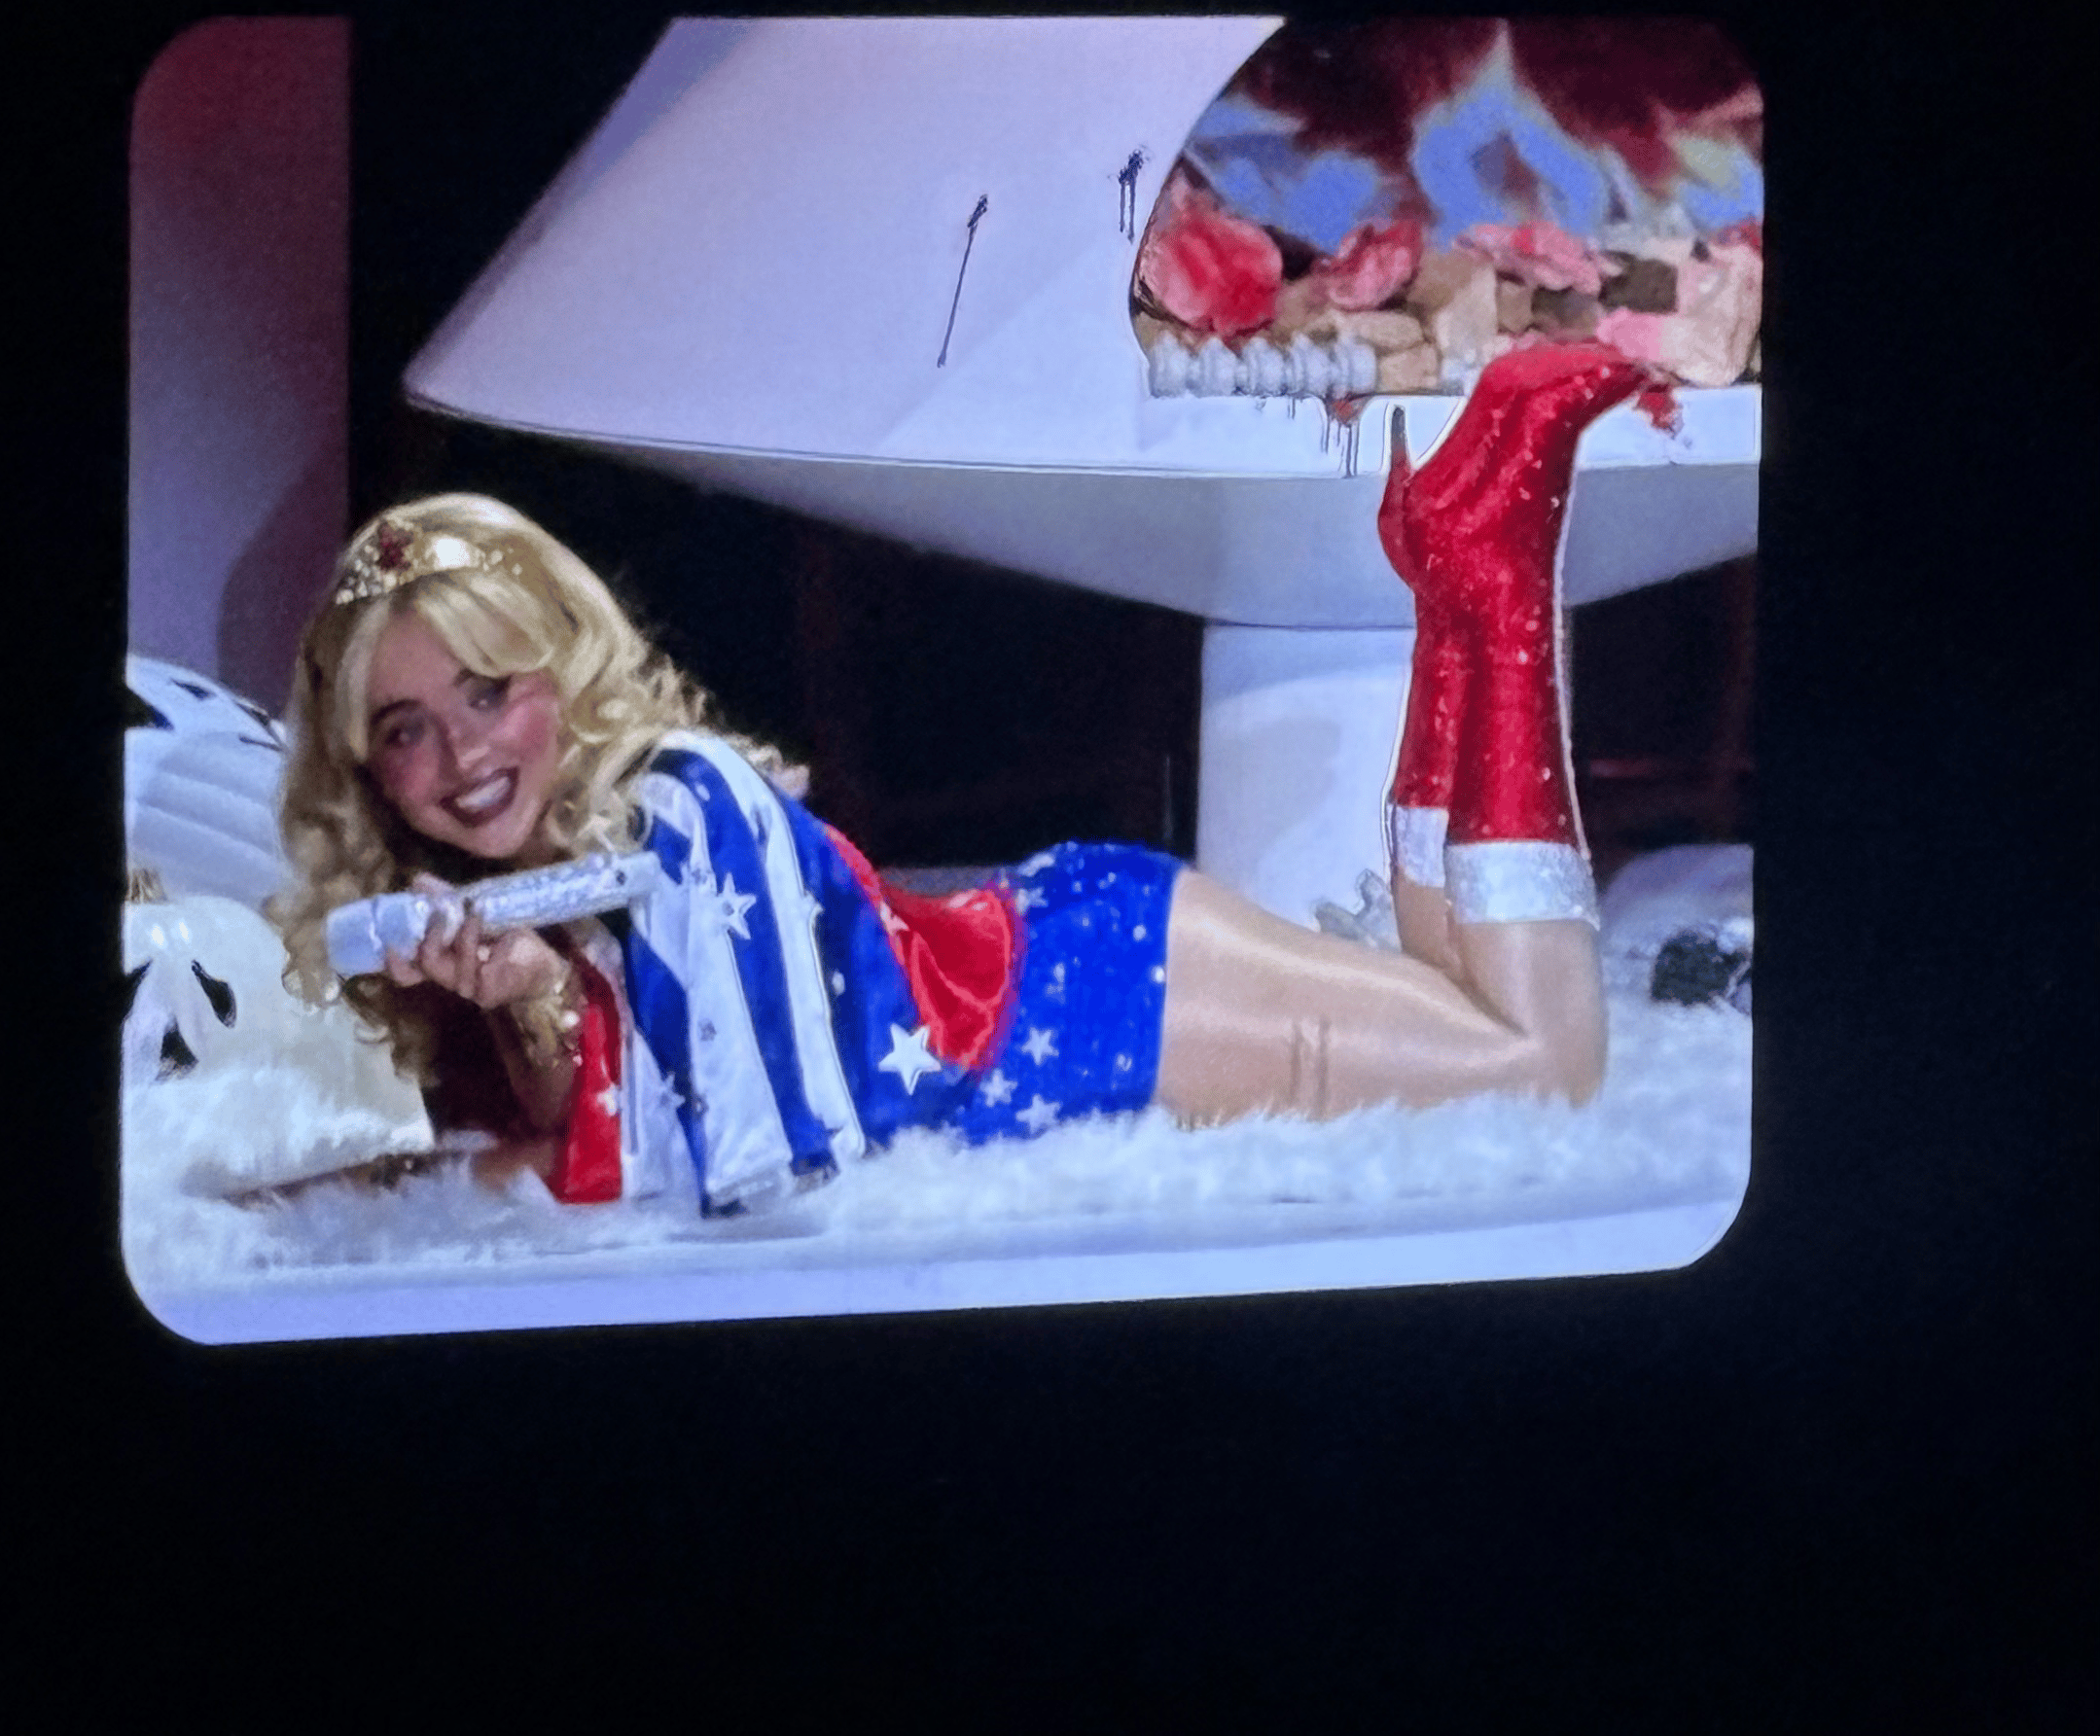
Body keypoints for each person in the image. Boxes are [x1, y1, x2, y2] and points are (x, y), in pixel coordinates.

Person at [271, 342, 1652, 1215]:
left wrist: (514, 1041)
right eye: (405, 728)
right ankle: (1453, 582)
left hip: (1081, 1011)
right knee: (1468, 1011)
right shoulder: (487, 900)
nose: (462, 757)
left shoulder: (675, 803)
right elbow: (578, 1118)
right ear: (363, 767)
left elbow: (715, 1165)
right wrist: (512, 1010)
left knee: (1538, 1068)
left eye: (489, 691)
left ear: (559, 666)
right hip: (1062, 962)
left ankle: (1494, 586)